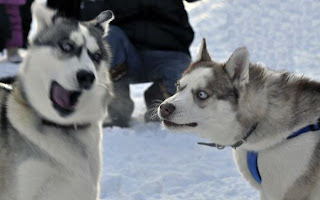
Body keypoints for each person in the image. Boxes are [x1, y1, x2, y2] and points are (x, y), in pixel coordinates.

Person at [48, 0, 197, 127]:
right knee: (108, 36)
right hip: (123, 55)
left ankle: (159, 96)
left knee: (184, 80)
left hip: (169, 52)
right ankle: (118, 108)